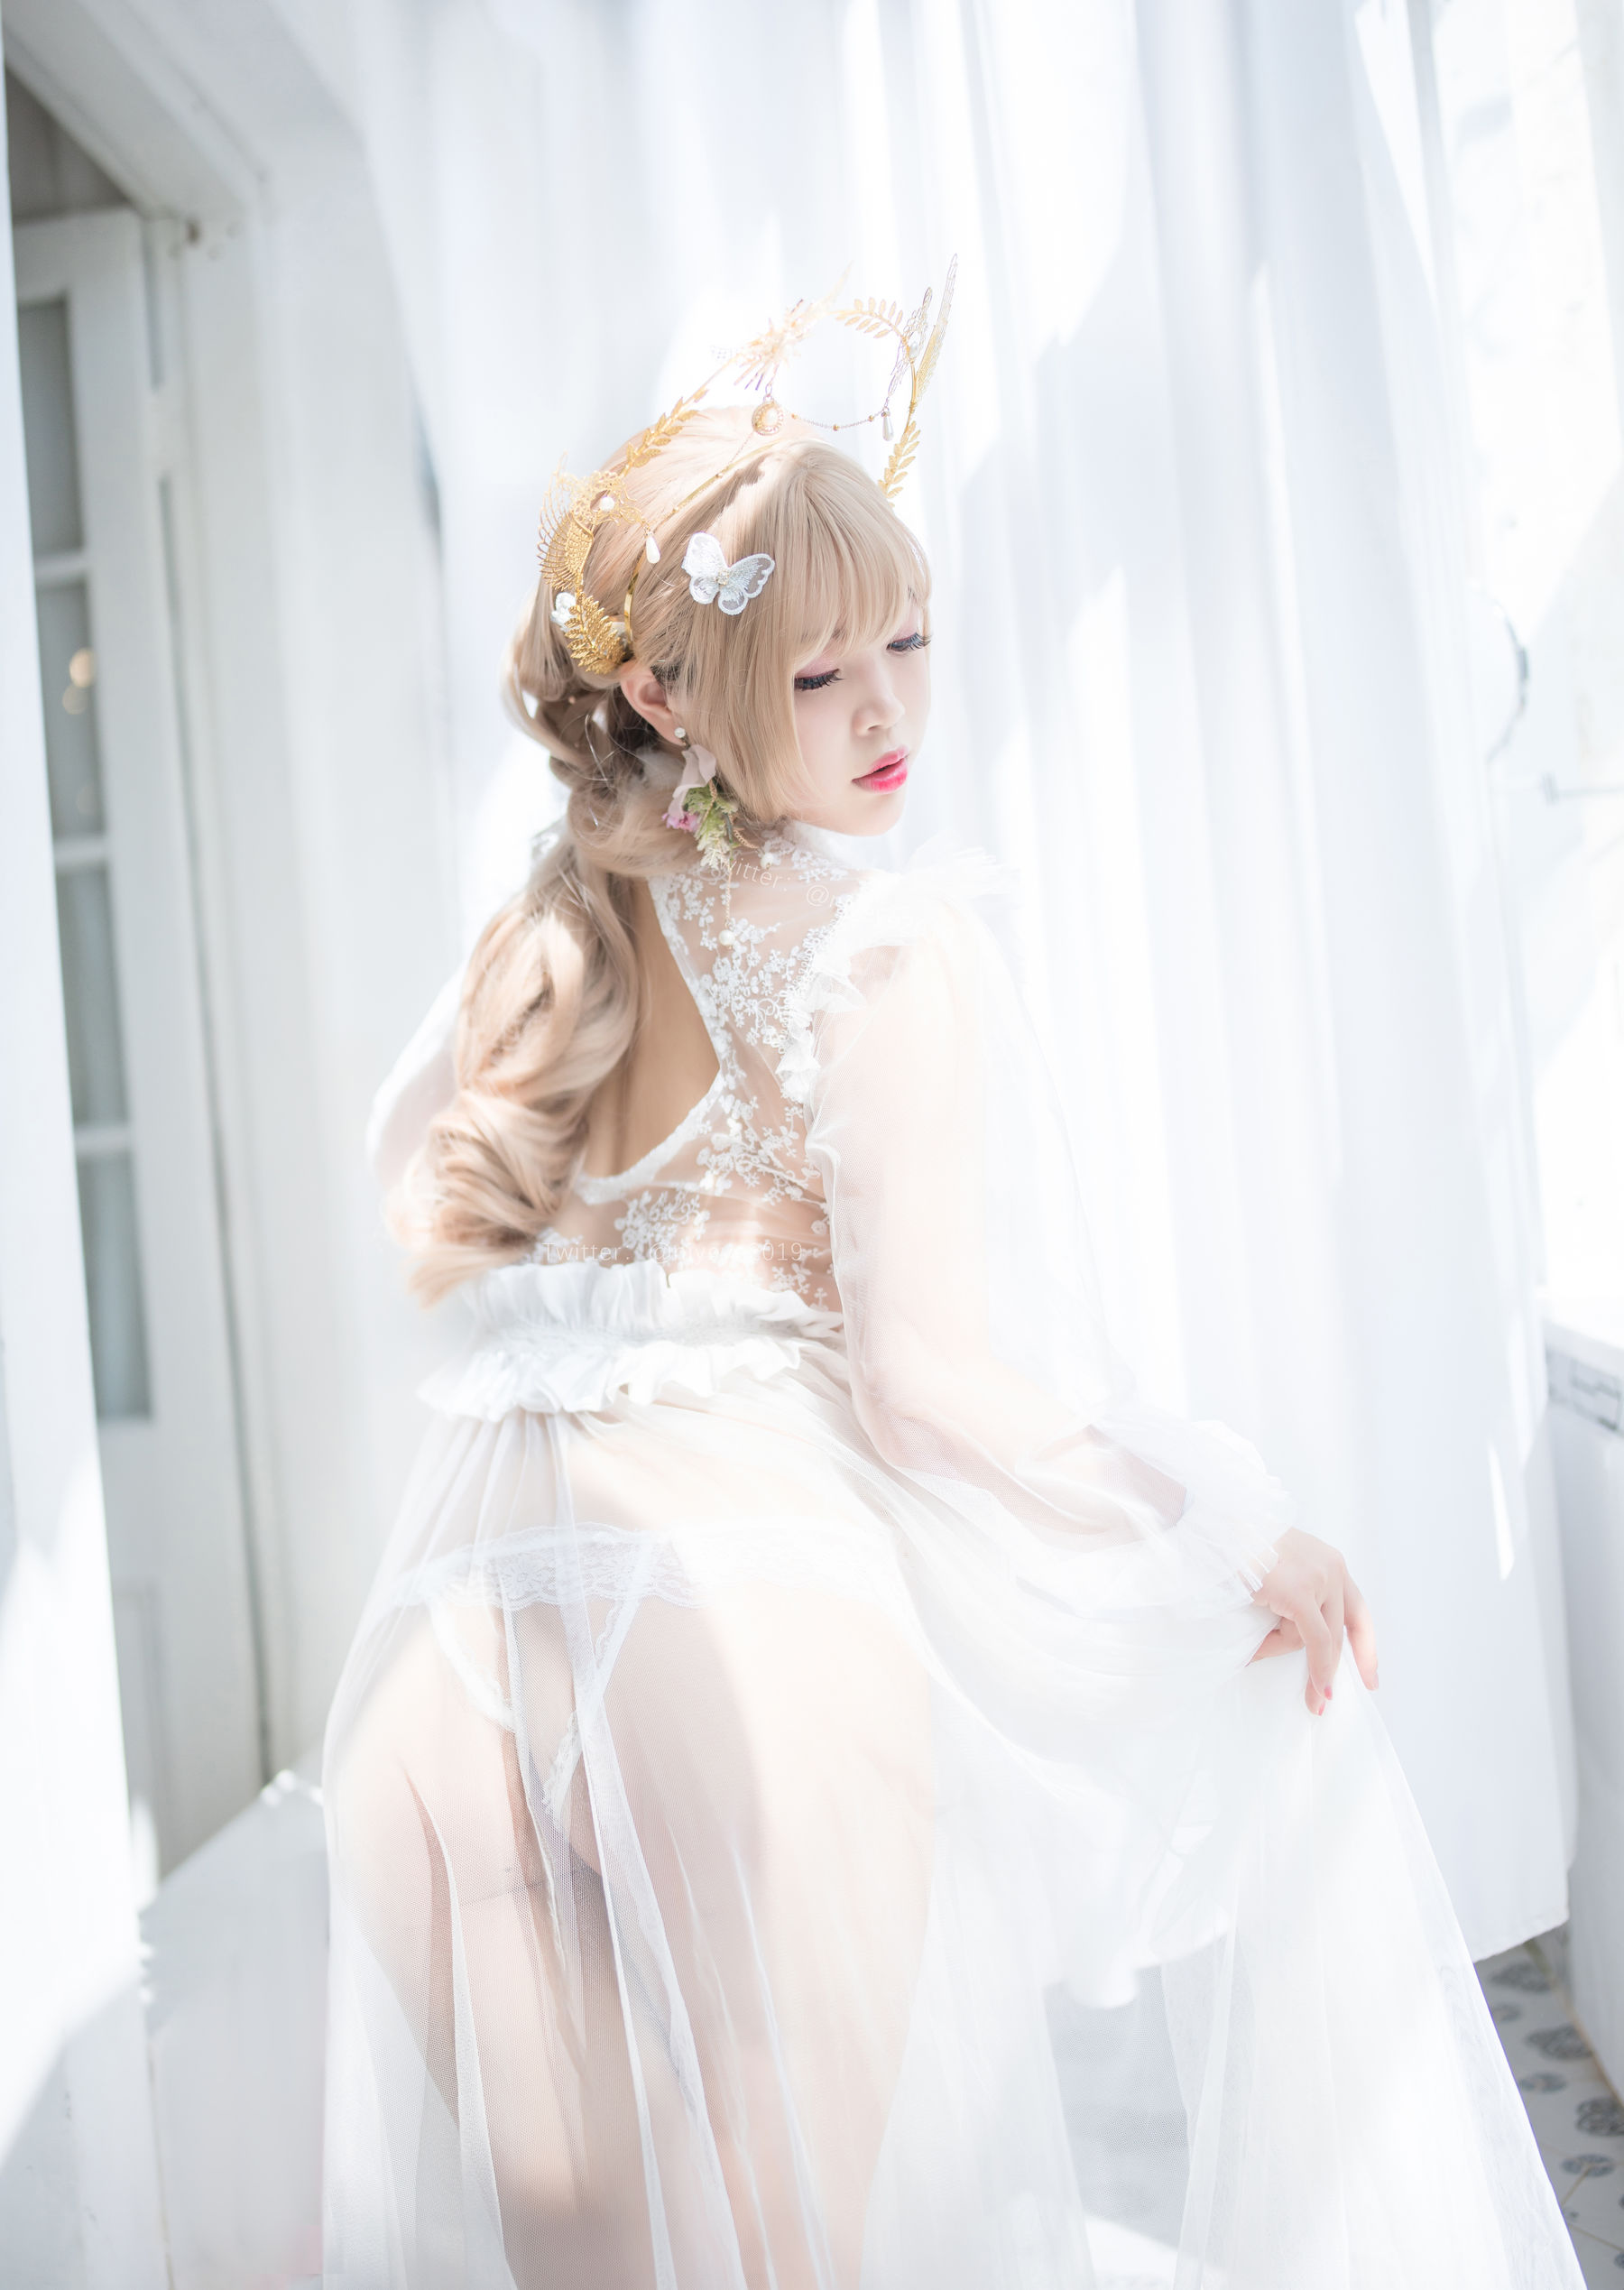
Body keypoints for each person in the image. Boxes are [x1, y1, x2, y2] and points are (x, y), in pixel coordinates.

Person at [320, 292, 1583, 2289]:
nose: (887, 712)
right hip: (741, 1624)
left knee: (584, 2261)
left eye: (908, 643)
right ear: (668, 696)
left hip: (452, 1652)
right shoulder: (878, 952)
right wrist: (1219, 1515)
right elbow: (924, 1393)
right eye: (818, 670)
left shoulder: (548, 935)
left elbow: (416, 1197)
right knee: (798, 2250)